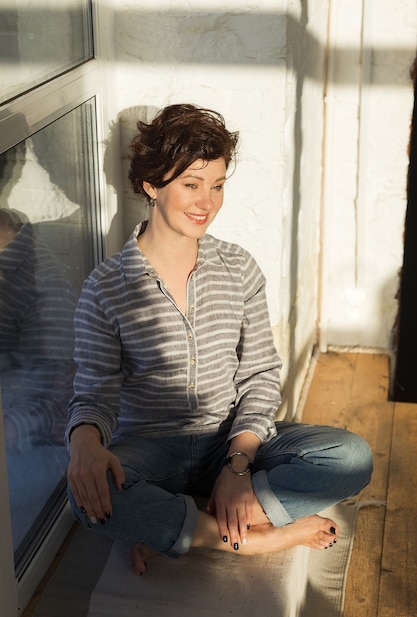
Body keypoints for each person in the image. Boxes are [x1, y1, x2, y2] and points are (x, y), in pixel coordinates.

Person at [66, 104, 373, 576]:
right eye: (191, 184)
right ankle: (252, 538)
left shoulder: (240, 267)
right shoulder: (105, 288)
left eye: (217, 185)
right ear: (151, 185)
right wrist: (84, 445)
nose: (206, 202)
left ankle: (180, 528)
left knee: (351, 457)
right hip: (152, 449)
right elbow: (94, 394)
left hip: (231, 437)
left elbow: (260, 375)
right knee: (85, 497)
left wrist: (238, 465)